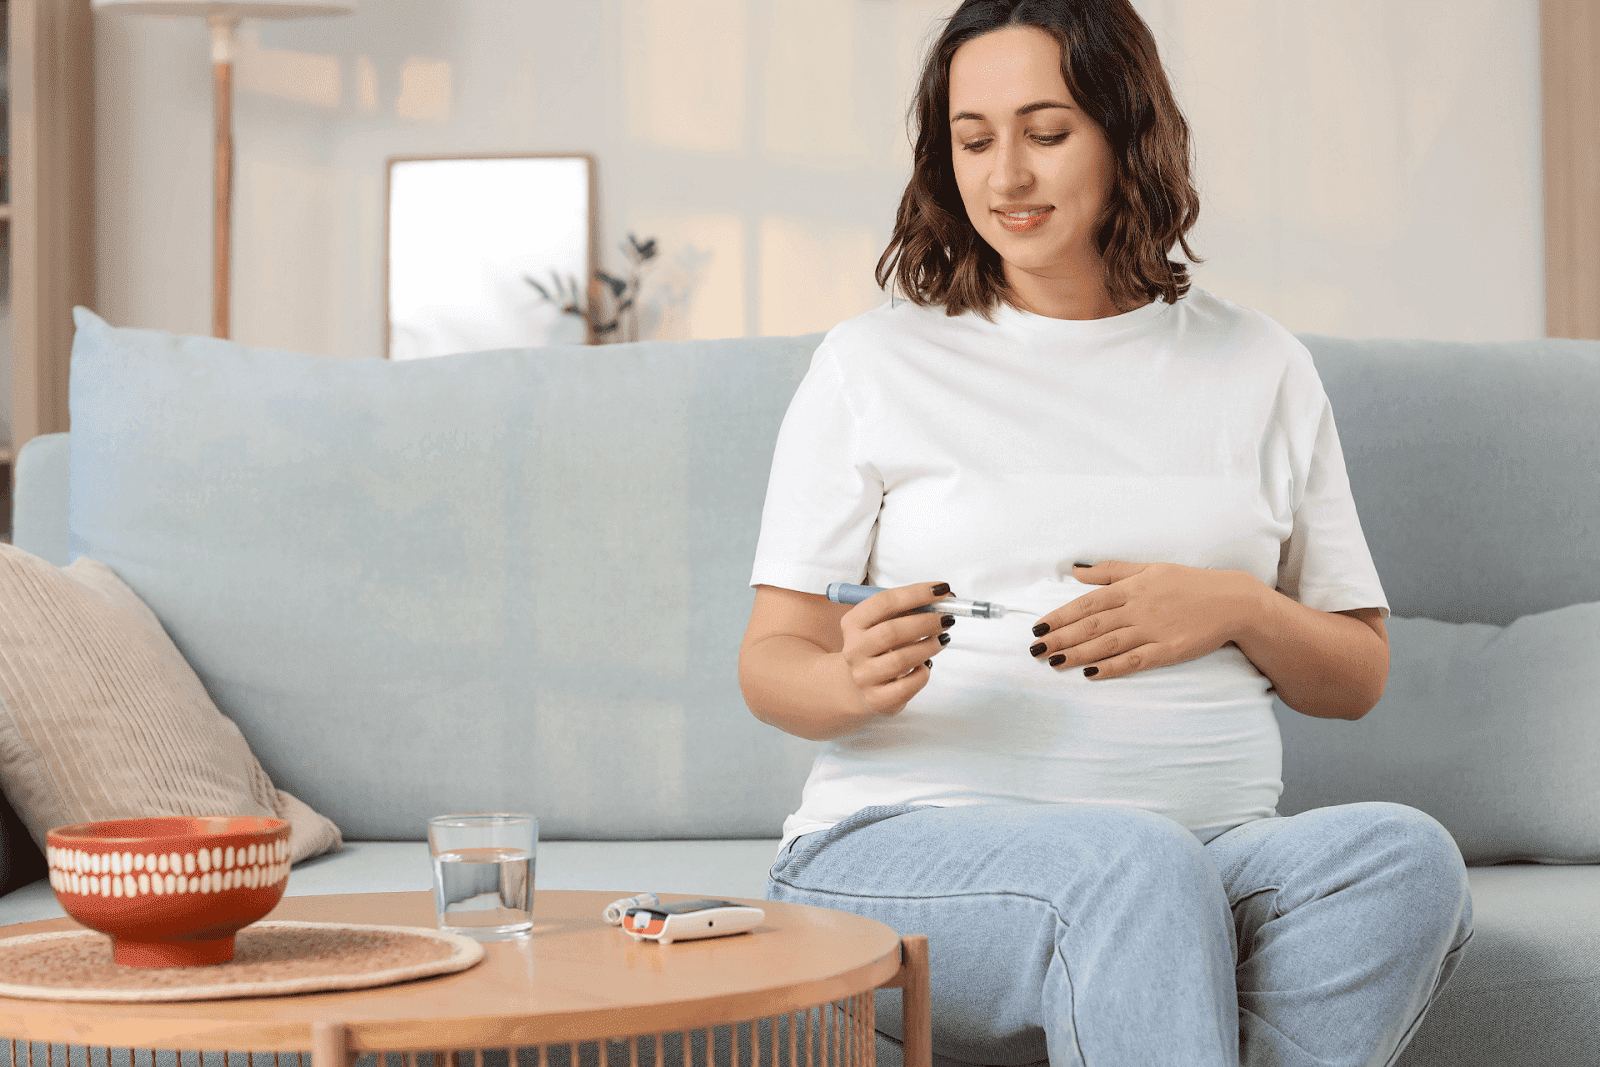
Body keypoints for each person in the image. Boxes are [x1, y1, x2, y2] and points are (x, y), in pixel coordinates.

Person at [737, 1, 1474, 1065]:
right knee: (1135, 863)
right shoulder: (871, 365)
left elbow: (1353, 675)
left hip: (1212, 850)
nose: (1005, 178)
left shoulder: (1260, 365)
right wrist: (847, 679)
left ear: (1129, 131)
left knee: (1402, 855)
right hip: (903, 845)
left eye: (1046, 133)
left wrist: (1237, 605)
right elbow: (770, 664)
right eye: (974, 139)